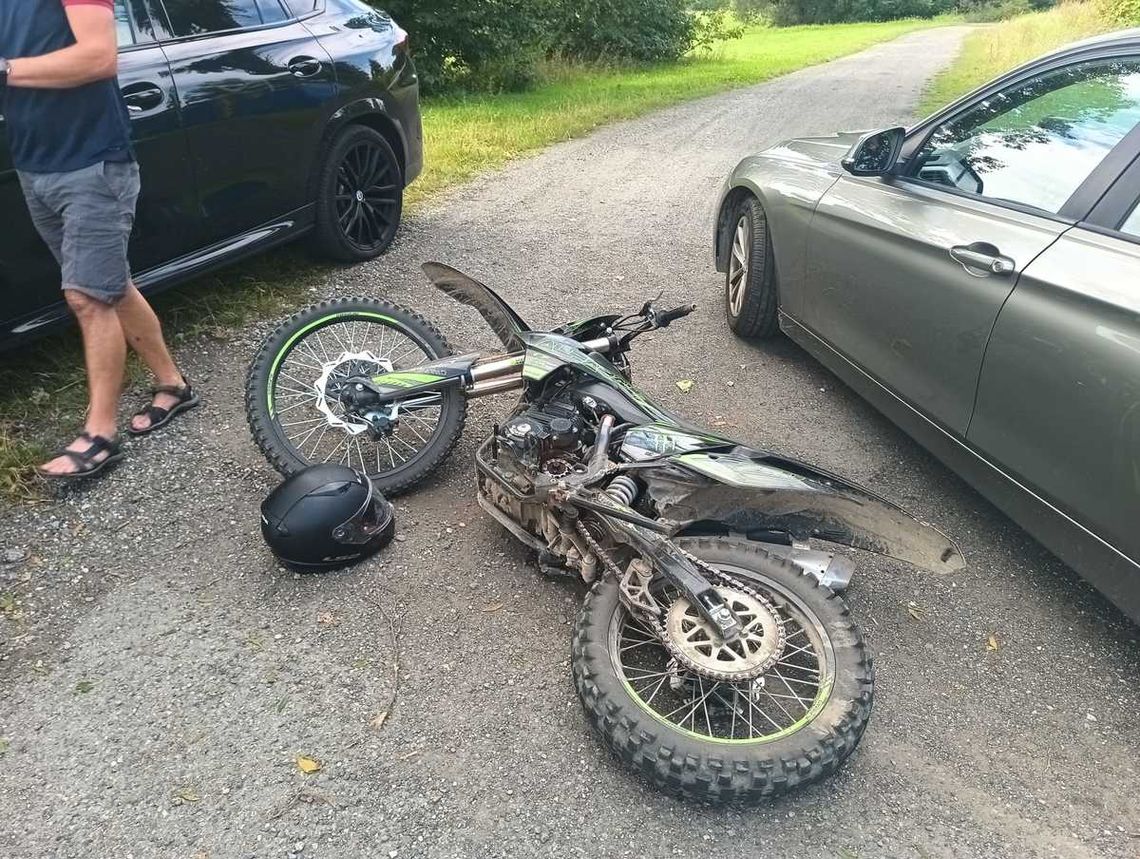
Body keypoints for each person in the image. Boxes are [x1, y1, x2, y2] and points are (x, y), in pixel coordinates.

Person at [0, 0, 198, 481]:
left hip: (92, 164)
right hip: (35, 165)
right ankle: (173, 384)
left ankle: (101, 435)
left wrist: (5, 69)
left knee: (88, 296)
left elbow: (96, 56)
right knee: (110, 285)